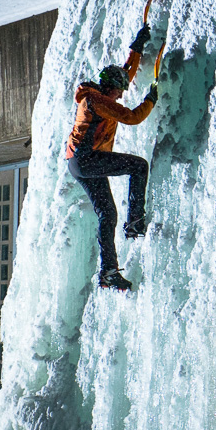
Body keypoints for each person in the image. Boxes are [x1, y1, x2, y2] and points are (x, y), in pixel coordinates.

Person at [65, 24, 159, 291]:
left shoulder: (98, 94)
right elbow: (132, 117)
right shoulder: (98, 102)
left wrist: (137, 46)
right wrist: (150, 99)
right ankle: (136, 222)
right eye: (121, 91)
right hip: (87, 160)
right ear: (111, 90)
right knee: (138, 166)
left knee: (107, 213)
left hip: (79, 163)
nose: (122, 94)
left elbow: (126, 72)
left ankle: (108, 272)